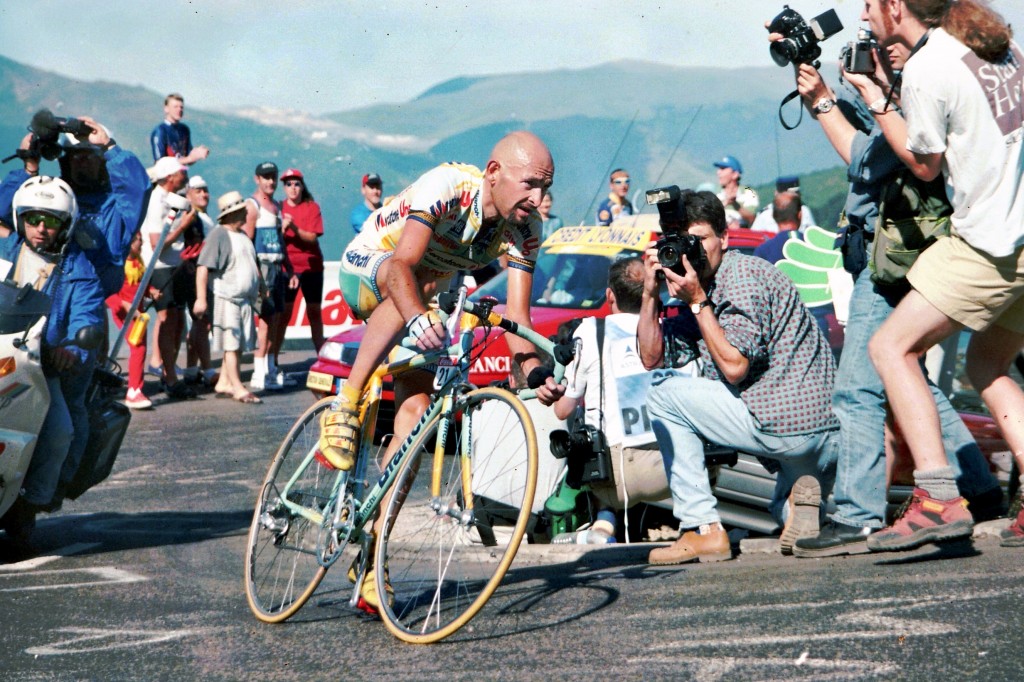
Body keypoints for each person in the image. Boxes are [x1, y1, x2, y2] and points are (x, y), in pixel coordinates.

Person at [766, 19, 1003, 558]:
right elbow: (864, 157)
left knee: (858, 387)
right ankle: (978, 489)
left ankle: (855, 514)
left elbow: (895, 162)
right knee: (912, 380)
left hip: (891, 256)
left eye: (879, 38)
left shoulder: (915, 92)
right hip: (887, 249)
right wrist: (823, 99)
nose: (871, 48)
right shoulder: (902, 93)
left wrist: (868, 96)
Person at [319, 131, 564, 610]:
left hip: (426, 290)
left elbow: (519, 319)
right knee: (406, 275)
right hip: (374, 269)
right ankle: (346, 404)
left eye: (544, 188)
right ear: (493, 172)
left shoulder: (525, 231)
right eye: (529, 184)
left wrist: (534, 372)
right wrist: (417, 317)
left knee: (413, 420)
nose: (537, 199)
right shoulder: (449, 188)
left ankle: (372, 555)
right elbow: (402, 266)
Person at [855, 0, 1024, 551]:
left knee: (889, 348)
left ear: (896, 7)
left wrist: (879, 99)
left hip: (989, 243)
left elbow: (924, 162)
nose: (864, 17)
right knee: (986, 361)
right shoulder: (996, 47)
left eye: (868, 5)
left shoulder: (929, 66)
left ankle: (935, 498)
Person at [637, 190, 838, 565]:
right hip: (813, 440)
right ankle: (801, 504)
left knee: (663, 394)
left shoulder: (741, 276)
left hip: (789, 423)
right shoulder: (703, 288)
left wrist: (697, 300)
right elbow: (652, 357)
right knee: (787, 516)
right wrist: (650, 295)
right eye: (681, 243)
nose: (688, 253)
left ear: (725, 238)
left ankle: (701, 528)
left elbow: (734, 367)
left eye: (698, 241)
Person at [552, 257, 693, 544]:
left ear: (609, 295)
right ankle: (694, 524)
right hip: (672, 471)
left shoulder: (591, 332)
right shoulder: (670, 329)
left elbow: (562, 409)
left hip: (613, 479)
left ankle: (604, 524)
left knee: (589, 427)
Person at [0, 176, 104, 543]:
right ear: (19, 218)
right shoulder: (5, 253)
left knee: (60, 429)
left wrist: (71, 350)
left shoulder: (78, 268)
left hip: (40, 366)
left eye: (52, 221)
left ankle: (29, 503)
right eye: (33, 219)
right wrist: (27, 165)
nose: (41, 229)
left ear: (66, 223)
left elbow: (87, 316)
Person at [195, 191, 261, 404]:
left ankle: (224, 381)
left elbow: (253, 266)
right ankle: (237, 386)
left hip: (245, 300)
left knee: (239, 344)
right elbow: (203, 268)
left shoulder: (242, 237)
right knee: (231, 344)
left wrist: (263, 290)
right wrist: (201, 298)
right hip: (227, 298)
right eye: (241, 211)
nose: (244, 214)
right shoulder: (219, 235)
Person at [139, 155, 196, 399]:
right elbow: (155, 243)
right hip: (161, 264)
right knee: (168, 318)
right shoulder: (155, 201)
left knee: (175, 319)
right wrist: (183, 227)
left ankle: (169, 371)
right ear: (169, 177)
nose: (184, 176)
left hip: (174, 263)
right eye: (180, 173)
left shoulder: (170, 197)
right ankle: (169, 374)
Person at [244, 162, 299, 391]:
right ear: (257, 179)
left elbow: (281, 243)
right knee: (265, 321)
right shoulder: (252, 206)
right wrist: (255, 274)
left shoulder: (276, 206)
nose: (270, 182)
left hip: (277, 267)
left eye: (273, 177)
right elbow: (247, 243)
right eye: (266, 177)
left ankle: (270, 369)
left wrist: (291, 269)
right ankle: (259, 373)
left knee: (276, 319)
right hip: (263, 266)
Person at [279, 168, 326, 353]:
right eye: (289, 184)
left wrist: (294, 228)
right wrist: (282, 230)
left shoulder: (311, 207)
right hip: (289, 268)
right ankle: (272, 358)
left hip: (311, 267)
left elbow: (312, 237)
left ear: (302, 186)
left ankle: (321, 355)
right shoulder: (279, 208)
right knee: (284, 314)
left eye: (296, 184)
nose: (293, 188)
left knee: (314, 311)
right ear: (284, 188)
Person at [106, 231, 153, 410]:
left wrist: (152, 291)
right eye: (136, 240)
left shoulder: (138, 261)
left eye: (141, 239)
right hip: (125, 314)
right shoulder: (118, 264)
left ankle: (136, 387)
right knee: (137, 347)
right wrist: (124, 305)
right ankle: (133, 391)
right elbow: (109, 294)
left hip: (139, 313)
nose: (140, 243)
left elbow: (142, 283)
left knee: (141, 347)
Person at [182, 175, 216, 386]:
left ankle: (191, 368)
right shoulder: (193, 217)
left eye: (205, 190)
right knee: (202, 323)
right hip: (196, 276)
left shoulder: (204, 217)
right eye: (198, 191)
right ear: (189, 194)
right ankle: (208, 368)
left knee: (197, 324)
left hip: (202, 275)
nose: (203, 194)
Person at [150, 93, 209, 165]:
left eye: (181, 107)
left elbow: (188, 160)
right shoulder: (160, 131)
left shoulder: (184, 130)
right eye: (175, 107)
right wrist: (189, 158)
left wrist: (197, 155)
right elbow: (159, 163)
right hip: (167, 176)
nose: (179, 110)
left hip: (182, 174)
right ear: (166, 109)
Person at [750, 176, 818, 233]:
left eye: (797, 193)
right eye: (792, 194)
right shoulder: (764, 214)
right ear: (777, 194)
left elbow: (813, 236)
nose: (798, 196)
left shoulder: (804, 211)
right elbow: (753, 238)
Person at [713, 155, 759, 228]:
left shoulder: (749, 192)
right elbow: (709, 216)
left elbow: (752, 218)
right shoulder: (714, 193)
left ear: (735, 174)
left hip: (743, 235)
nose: (718, 172)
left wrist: (735, 204)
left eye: (723, 169)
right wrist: (726, 202)